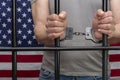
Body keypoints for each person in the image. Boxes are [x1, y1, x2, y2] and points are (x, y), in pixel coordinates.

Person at [31, 0, 120, 80]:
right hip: (53, 72)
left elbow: (118, 28)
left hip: (97, 72)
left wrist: (106, 32)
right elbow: (39, 30)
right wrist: (55, 32)